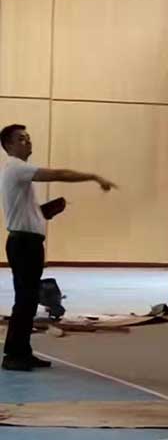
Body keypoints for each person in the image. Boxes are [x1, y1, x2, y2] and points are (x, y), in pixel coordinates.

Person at [0, 124, 116, 372]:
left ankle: (22, 352)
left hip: (26, 242)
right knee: (25, 300)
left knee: (28, 299)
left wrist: (42, 213)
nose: (28, 142)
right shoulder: (16, 167)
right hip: (24, 245)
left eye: (28, 138)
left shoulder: (16, 171)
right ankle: (13, 355)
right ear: (8, 145)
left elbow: (24, 212)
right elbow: (58, 174)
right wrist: (93, 176)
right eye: (21, 139)